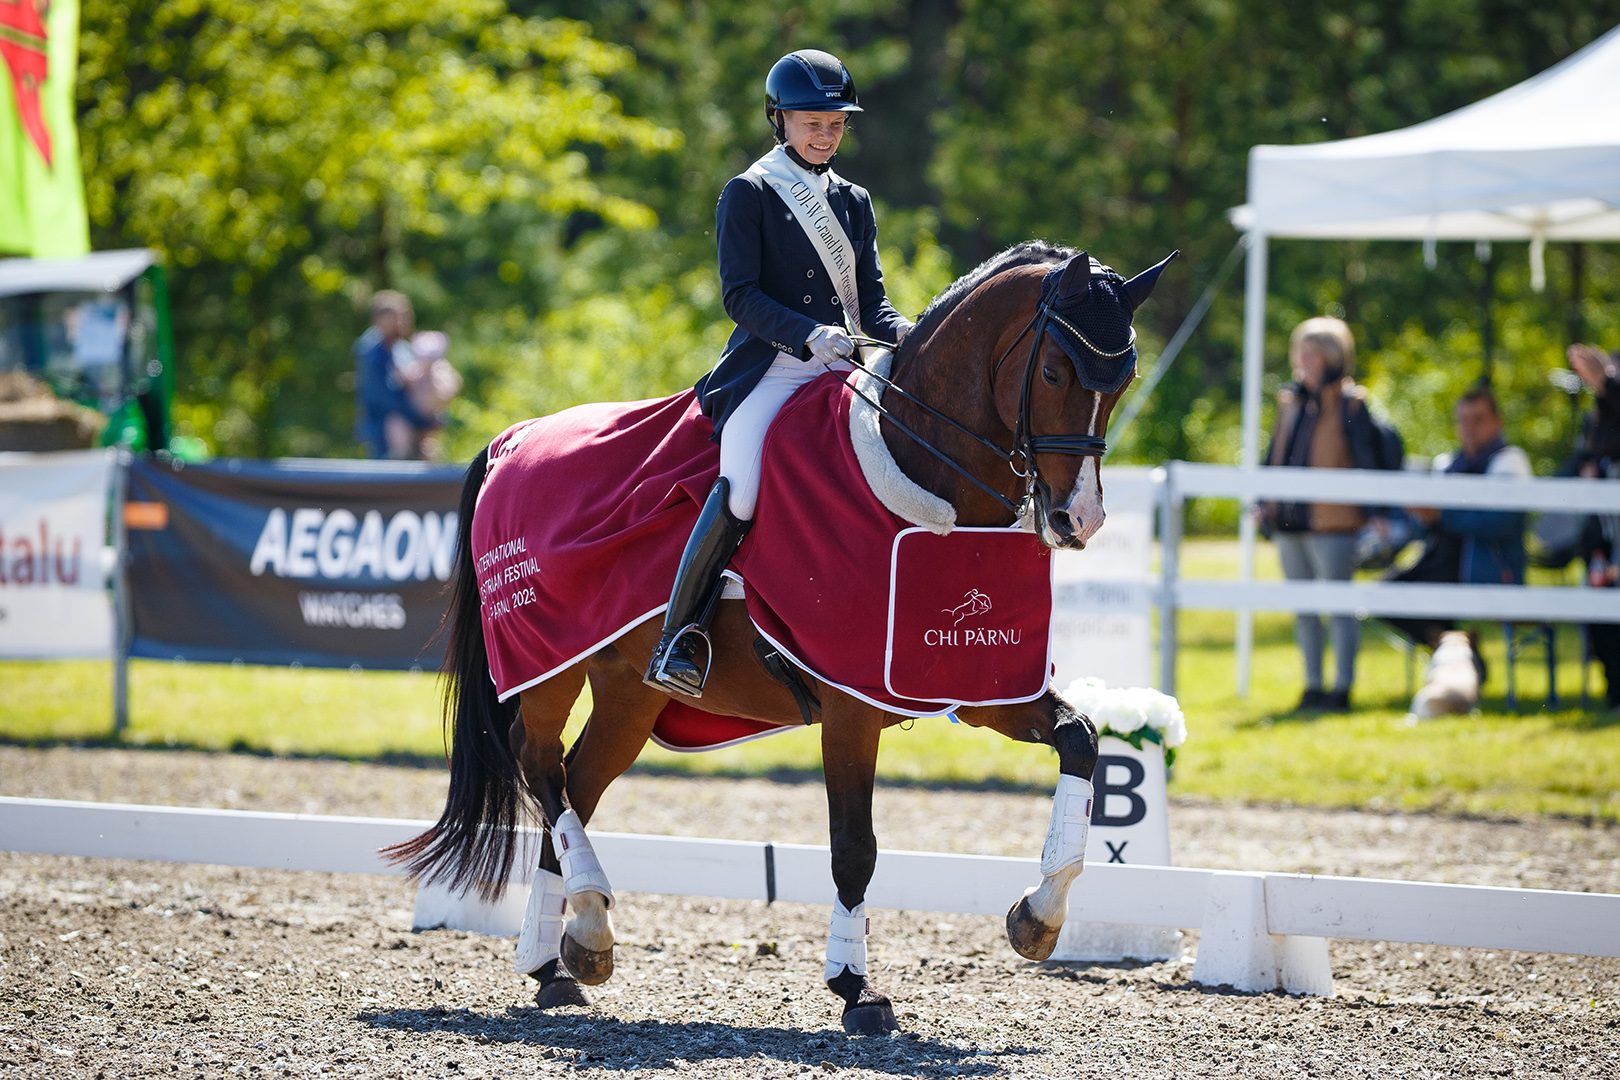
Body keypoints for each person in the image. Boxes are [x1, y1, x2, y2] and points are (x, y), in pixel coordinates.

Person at [644, 49, 912, 698]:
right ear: (780, 119)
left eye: (835, 124)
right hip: (770, 370)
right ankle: (679, 637)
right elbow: (739, 295)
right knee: (740, 488)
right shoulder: (749, 191)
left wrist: (913, 333)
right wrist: (805, 333)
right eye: (811, 122)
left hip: (840, 368)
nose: (825, 134)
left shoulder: (854, 200)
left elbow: (870, 302)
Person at [1261, 317, 1401, 712]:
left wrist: (1376, 511)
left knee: (1339, 609)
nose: (1304, 360)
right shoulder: (1289, 402)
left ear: (1333, 358)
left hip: (1334, 523)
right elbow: (1274, 455)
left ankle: (1342, 687)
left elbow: (1370, 457)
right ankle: (1312, 685)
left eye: (1314, 353)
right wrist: (1263, 500)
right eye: (1301, 351)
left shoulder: (1352, 402)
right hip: (1290, 522)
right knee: (1304, 610)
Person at [1384, 383, 1531, 677]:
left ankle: (1460, 658)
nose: (1469, 428)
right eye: (1463, 420)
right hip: (1442, 564)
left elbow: (1500, 522)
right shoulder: (1447, 464)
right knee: (1386, 595)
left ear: (1497, 421)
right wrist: (1423, 518)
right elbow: (1429, 528)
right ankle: (1461, 654)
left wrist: (1442, 515)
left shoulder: (1510, 461)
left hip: (1487, 569)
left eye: (1478, 420)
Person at [1567, 343, 1620, 709]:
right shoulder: (1597, 418)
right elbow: (1584, 457)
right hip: (1603, 536)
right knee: (1600, 617)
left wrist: (1607, 381)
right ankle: (1614, 690)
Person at [353, 291, 437, 459]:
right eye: (395, 317)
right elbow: (383, 398)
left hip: (411, 430)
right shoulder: (371, 352)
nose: (401, 323)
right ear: (378, 320)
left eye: (404, 316)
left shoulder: (401, 349)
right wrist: (424, 420)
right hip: (382, 434)